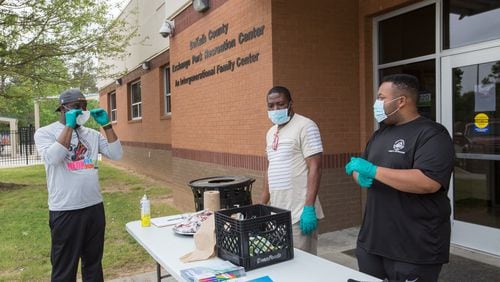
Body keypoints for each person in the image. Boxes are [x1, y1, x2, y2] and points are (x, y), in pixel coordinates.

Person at [345, 74, 454, 281]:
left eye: (381, 97)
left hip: (413, 247)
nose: (376, 104)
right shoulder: (380, 134)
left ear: (401, 101)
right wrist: (359, 175)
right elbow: (363, 167)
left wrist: (373, 171)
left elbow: (428, 182)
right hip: (373, 242)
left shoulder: (432, 134)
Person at [34, 89, 123, 282]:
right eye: (76, 107)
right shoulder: (45, 133)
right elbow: (54, 158)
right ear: (63, 109)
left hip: (94, 207)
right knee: (64, 267)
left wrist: (107, 125)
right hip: (66, 209)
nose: (82, 111)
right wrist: (69, 126)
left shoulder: (91, 134)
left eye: (84, 107)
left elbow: (117, 154)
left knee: (93, 264)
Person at [260, 86, 324, 255]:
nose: (275, 109)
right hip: (277, 212)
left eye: (280, 104)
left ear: (290, 104)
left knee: (304, 267)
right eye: (271, 106)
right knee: (281, 262)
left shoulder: (306, 126)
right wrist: (262, 204)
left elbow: (315, 167)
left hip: (299, 214)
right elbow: (270, 168)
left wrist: (309, 208)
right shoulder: (270, 132)